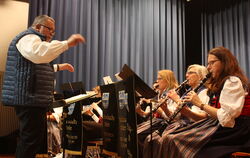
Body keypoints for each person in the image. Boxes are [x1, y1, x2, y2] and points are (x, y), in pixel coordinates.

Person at [1, 15, 85, 158]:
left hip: (31, 97)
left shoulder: (34, 40)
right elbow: (38, 54)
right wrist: (67, 43)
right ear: (38, 27)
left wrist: (58, 67)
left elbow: (35, 66)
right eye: (50, 30)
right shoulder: (28, 38)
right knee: (30, 140)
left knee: (32, 139)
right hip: (28, 97)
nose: (52, 33)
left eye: (54, 31)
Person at [184, 47, 250, 157]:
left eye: (212, 63)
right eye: (208, 63)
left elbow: (226, 118)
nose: (208, 67)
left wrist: (200, 104)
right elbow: (214, 115)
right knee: (178, 138)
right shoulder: (221, 84)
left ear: (224, 62)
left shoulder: (233, 81)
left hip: (236, 131)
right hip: (224, 126)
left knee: (191, 145)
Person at [142, 64, 210, 158]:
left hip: (193, 126)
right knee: (151, 139)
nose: (186, 75)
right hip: (180, 123)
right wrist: (165, 108)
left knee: (166, 140)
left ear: (201, 76)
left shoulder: (204, 92)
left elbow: (197, 117)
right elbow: (175, 116)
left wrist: (177, 100)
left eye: (190, 73)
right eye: (187, 73)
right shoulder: (187, 92)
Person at [137, 69, 179, 157]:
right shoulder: (160, 94)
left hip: (166, 124)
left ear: (167, 80)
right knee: (134, 132)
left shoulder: (174, 93)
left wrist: (159, 109)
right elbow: (147, 115)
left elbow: (173, 117)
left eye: (160, 79)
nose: (157, 81)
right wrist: (140, 111)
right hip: (156, 121)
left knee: (140, 136)